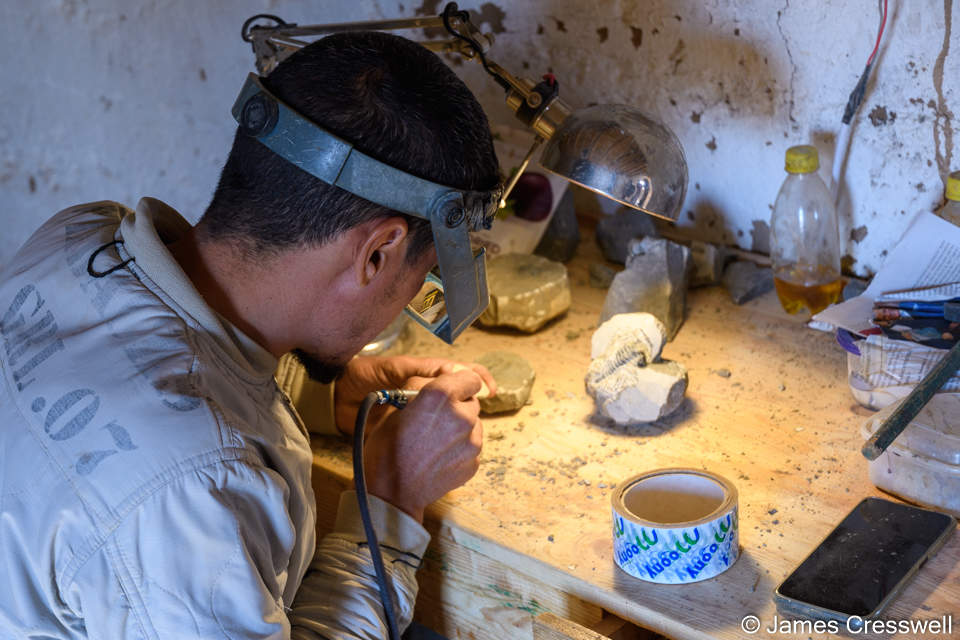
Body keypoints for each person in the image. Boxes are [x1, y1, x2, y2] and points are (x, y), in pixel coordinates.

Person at [0, 30, 502, 639]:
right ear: (377, 253)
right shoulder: (198, 491)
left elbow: (151, 354)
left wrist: (323, 394)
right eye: (417, 279)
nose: (407, 304)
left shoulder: (82, 237)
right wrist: (392, 494)